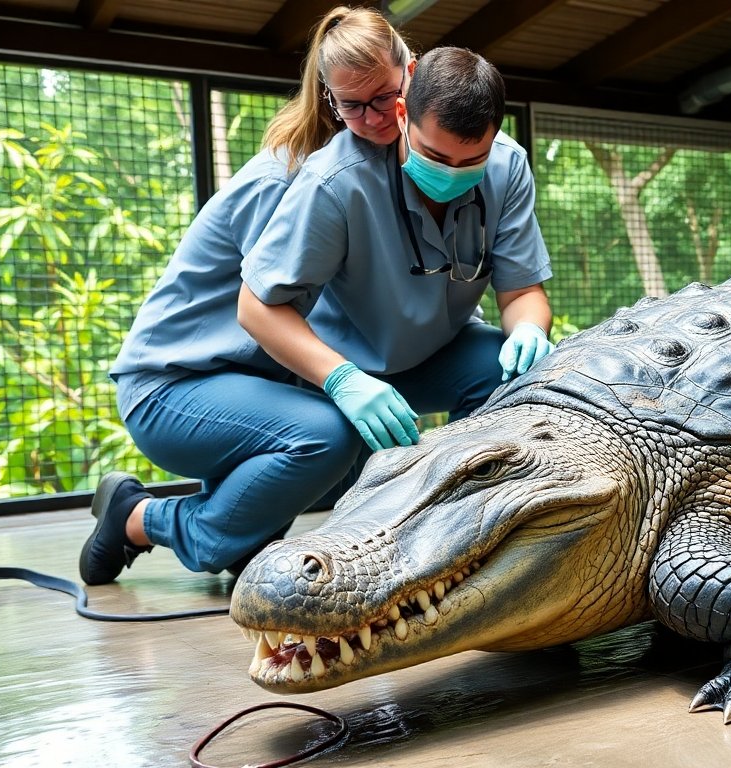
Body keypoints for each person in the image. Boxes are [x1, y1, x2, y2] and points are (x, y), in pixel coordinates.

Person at [81, 43, 556, 585]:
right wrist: (344, 377)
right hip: (194, 377)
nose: (453, 174)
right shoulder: (320, 179)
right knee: (329, 436)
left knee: (507, 371)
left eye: (472, 161)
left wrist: (529, 332)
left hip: (303, 368)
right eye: (435, 156)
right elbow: (258, 308)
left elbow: (522, 289)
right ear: (404, 115)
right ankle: (154, 520)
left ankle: (463, 531)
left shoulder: (506, 166)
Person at [81, 6, 416, 585]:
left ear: (410, 71)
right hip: (172, 386)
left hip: (250, 381)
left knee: (371, 440)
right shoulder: (290, 180)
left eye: (385, 96)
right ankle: (140, 517)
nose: (373, 116)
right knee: (329, 436)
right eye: (352, 105)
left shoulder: (377, 164)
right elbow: (273, 309)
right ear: (328, 98)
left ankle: (241, 530)